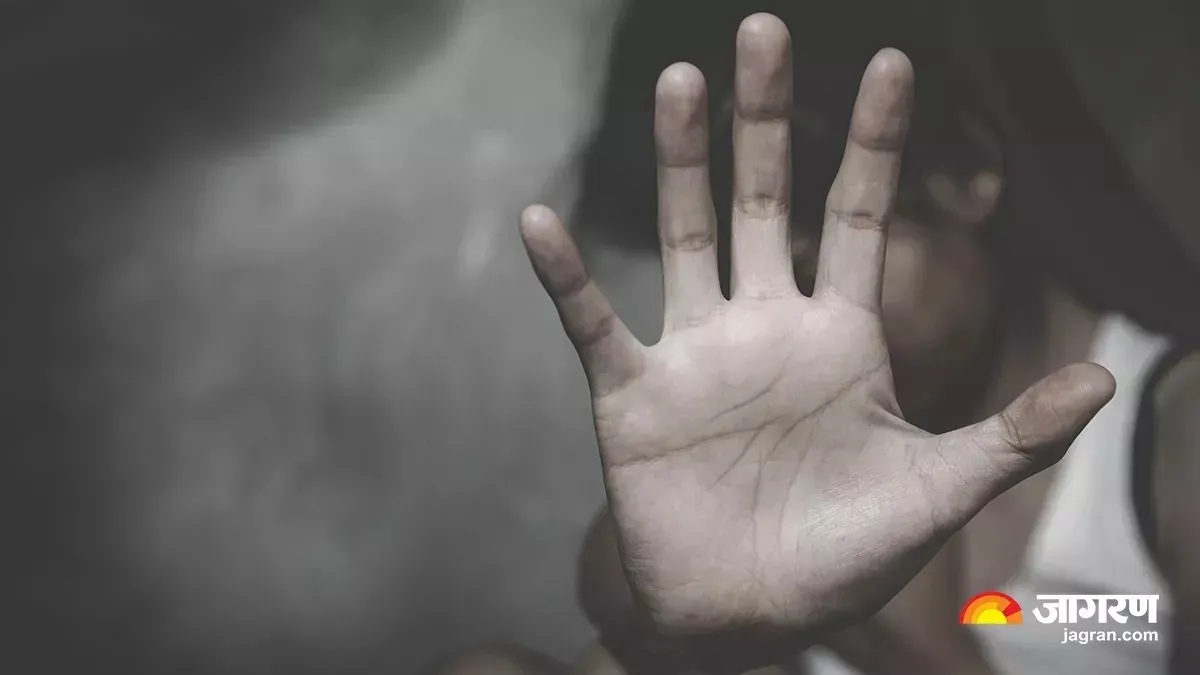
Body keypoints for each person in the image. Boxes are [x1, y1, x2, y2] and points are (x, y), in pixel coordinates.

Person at [440, 3, 1200, 674]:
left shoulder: (1174, 446)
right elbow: (626, 589)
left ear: (964, 169)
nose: (793, 311)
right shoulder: (803, 438)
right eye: (741, 270)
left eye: (818, 257)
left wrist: (922, 655)